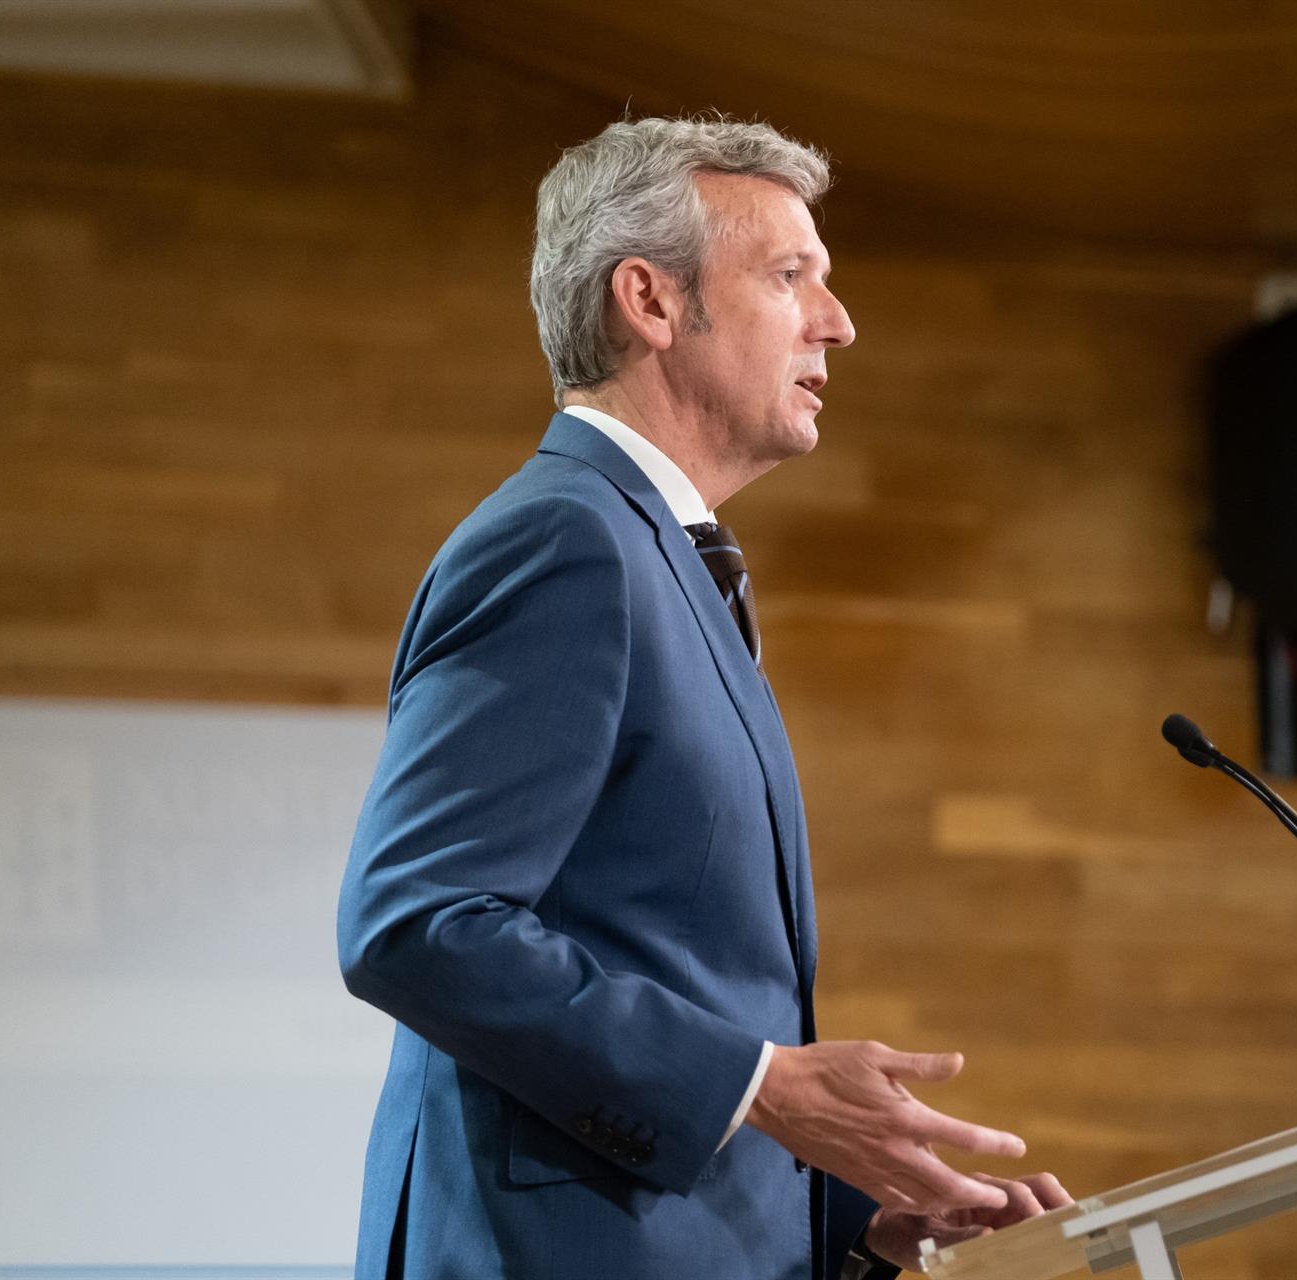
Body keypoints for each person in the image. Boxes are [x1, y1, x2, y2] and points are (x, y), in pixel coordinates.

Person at [336, 114, 1070, 1279]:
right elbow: (417, 921)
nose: (838, 321)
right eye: (791, 276)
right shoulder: (563, 543)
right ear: (652, 300)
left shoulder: (667, 557)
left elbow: (665, 958)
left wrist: (849, 1219)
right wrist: (766, 1083)